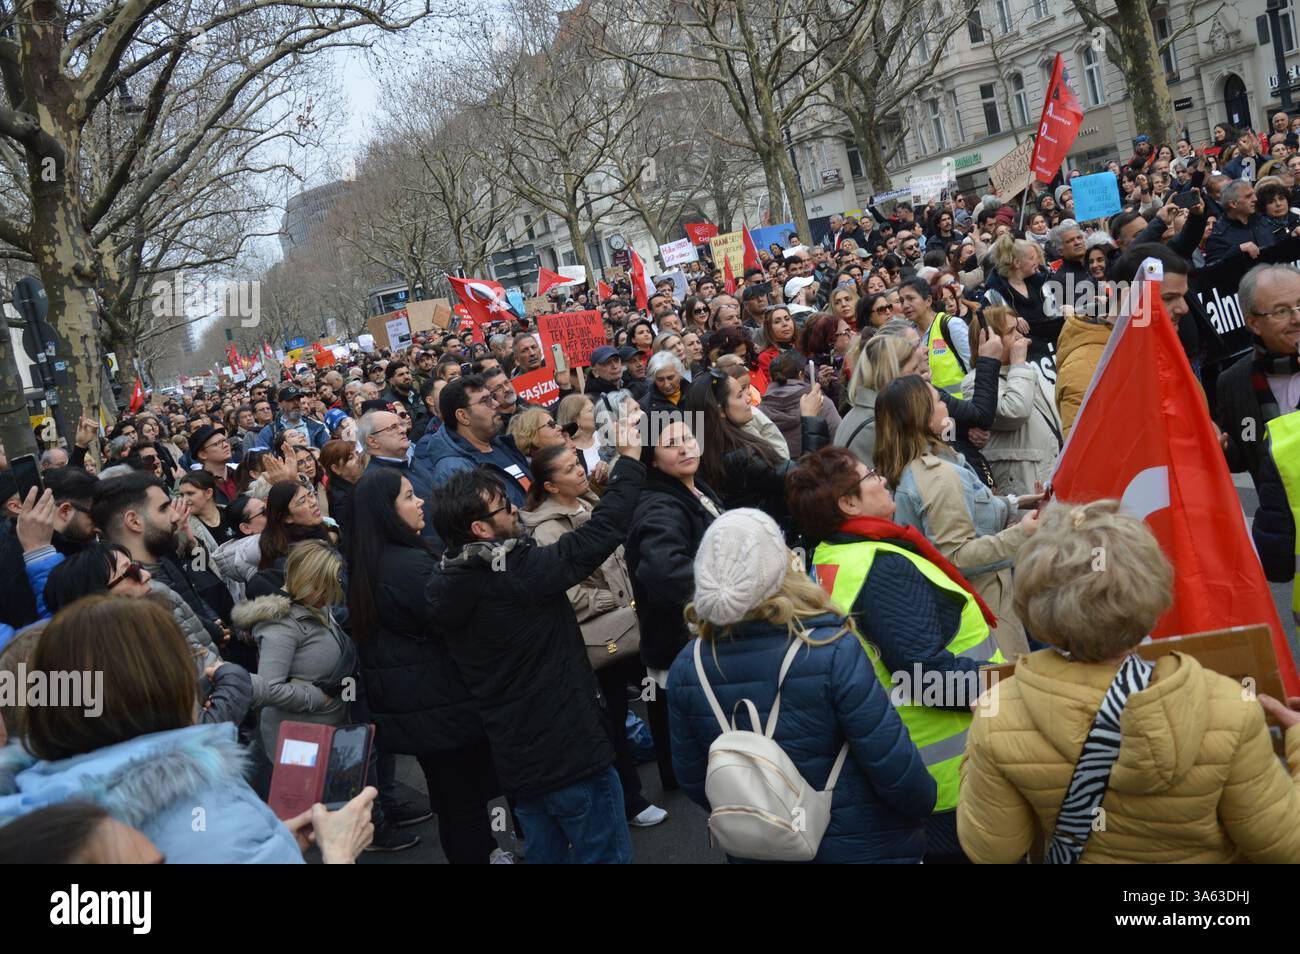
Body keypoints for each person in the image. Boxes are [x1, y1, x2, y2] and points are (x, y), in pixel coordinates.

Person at [958, 500, 1300, 863]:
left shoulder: (1002, 716)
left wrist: (978, 741)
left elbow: (992, 851)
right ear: (1152, 590)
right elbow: (1285, 847)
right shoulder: (1230, 707)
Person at [0, 596, 373, 863]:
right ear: (162, 683)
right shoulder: (208, 819)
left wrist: (276, 841)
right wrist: (339, 852)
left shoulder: (38, 805)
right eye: (188, 662)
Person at [426, 413, 644, 864]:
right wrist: (629, 463)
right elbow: (598, 536)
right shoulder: (511, 575)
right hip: (571, 752)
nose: (513, 509)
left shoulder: (448, 578)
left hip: (519, 761)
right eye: (502, 507)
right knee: (603, 854)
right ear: (479, 530)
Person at [667, 508, 935, 863]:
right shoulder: (830, 648)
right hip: (862, 844)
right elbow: (892, 765)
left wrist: (763, 812)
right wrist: (924, 805)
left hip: (762, 849)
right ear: (779, 570)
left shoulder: (688, 666)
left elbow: (692, 776)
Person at [787, 447, 1009, 862]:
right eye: (870, 475)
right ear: (848, 503)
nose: (883, 479)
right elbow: (927, 677)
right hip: (954, 777)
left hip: (913, 766)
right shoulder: (881, 566)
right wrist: (1016, 683)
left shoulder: (832, 556)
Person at [345, 469, 506, 864]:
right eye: (408, 496)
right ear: (386, 512)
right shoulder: (408, 567)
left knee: (455, 801)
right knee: (465, 801)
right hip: (442, 702)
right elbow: (456, 621)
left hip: (420, 706)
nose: (420, 503)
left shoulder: (371, 561)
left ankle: (485, 852)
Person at [521, 445, 668, 829]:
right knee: (613, 718)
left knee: (659, 692)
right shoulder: (546, 530)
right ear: (551, 485)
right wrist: (619, 600)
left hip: (631, 624)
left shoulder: (590, 502)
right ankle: (631, 801)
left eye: (578, 463)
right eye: (569, 469)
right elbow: (570, 594)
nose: (580, 471)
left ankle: (673, 772)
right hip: (602, 639)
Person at [874, 375, 1035, 659]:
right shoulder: (938, 476)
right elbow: (955, 558)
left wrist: (1018, 504)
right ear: (921, 417)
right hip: (984, 620)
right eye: (937, 400)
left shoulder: (930, 467)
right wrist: (1024, 532)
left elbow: (973, 510)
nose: (945, 404)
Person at [624, 417, 723, 792]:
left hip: (693, 642)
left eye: (687, 438)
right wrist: (727, 592)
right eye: (671, 444)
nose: (685, 447)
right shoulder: (658, 505)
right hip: (680, 643)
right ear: (652, 459)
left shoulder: (694, 488)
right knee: (689, 745)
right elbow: (666, 570)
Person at [233, 540, 354, 756]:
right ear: (308, 581)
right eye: (326, 584)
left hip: (326, 729)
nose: (332, 591)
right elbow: (268, 690)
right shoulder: (281, 624)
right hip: (300, 743)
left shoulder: (315, 605)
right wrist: (319, 698)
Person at [1057, 243, 1191, 436]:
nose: (1183, 308)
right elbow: (1091, 455)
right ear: (1131, 298)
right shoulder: (1084, 368)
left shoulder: (1161, 343)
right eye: (1169, 298)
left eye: (1182, 297)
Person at [685, 367, 828, 524]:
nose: (749, 398)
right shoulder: (740, 456)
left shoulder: (710, 449)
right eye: (740, 395)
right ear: (721, 411)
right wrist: (810, 417)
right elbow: (807, 477)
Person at [956, 306, 1063, 497]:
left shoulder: (1024, 369)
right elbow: (1015, 412)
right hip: (1023, 484)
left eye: (1017, 329)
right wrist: (1018, 365)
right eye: (1010, 332)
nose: (1019, 337)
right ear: (990, 340)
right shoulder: (975, 382)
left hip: (1050, 470)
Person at [421, 375, 533, 510]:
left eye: (491, 397)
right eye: (485, 401)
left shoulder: (501, 444)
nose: (496, 404)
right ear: (463, 416)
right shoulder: (454, 471)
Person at [758, 350, 841, 457]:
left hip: (777, 471)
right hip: (818, 469)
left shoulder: (759, 410)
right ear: (801, 374)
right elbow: (839, 441)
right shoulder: (820, 403)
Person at [897, 277, 969, 395]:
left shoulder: (951, 325)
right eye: (901, 301)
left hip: (963, 405)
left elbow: (973, 367)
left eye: (910, 298)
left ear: (928, 301)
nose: (905, 305)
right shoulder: (908, 334)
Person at [320, 439, 366, 540]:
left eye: (357, 454)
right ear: (336, 469)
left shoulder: (354, 485)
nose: (358, 459)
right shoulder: (341, 499)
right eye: (350, 458)